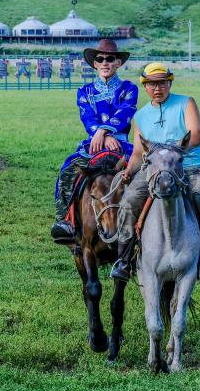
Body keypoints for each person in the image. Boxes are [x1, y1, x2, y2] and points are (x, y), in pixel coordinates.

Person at [110, 62, 200, 283]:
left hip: (188, 166)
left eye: (162, 83)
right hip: (152, 170)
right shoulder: (141, 116)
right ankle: (124, 260)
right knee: (128, 202)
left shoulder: (186, 103)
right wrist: (129, 170)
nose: (157, 88)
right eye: (152, 84)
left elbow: (195, 136)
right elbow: (138, 152)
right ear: (145, 86)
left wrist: (170, 152)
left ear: (169, 83)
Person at [51, 38, 138, 244]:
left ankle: (147, 220)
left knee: (144, 170)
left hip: (121, 144)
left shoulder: (129, 88)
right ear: (95, 63)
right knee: (68, 168)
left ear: (118, 63)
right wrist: (101, 135)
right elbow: (87, 117)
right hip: (93, 144)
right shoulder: (84, 91)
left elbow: (126, 112)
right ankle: (64, 220)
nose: (105, 62)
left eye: (110, 59)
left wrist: (105, 132)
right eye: (100, 59)